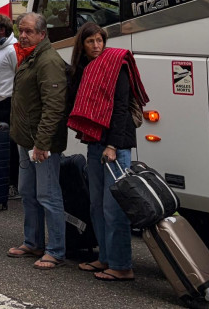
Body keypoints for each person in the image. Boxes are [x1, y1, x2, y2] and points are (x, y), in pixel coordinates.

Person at [66, 22, 149, 282]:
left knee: (114, 208)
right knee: (97, 205)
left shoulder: (116, 64)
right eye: (90, 41)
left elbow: (121, 107)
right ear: (82, 44)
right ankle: (105, 258)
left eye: (99, 41)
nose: (96, 46)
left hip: (116, 146)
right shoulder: (84, 69)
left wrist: (113, 145)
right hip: (95, 143)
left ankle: (122, 265)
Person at [5, 13, 71, 270]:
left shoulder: (48, 60)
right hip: (26, 140)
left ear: (42, 34)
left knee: (48, 195)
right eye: (21, 30)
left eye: (28, 31)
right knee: (28, 193)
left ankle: (55, 250)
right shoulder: (30, 56)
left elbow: (54, 106)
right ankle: (33, 242)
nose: (22, 35)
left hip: (41, 143)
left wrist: (42, 144)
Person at [0, 13, 20, 200]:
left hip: (8, 103)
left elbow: (20, 75)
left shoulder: (12, 50)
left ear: (2, 29)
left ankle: (13, 184)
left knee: (10, 145)